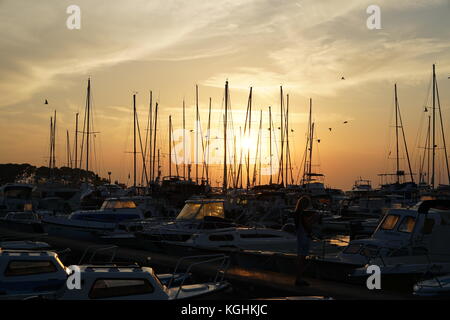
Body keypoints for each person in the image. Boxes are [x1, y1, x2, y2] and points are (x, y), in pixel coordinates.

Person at [294, 195, 318, 287]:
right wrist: (314, 218)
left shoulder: (297, 213)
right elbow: (307, 225)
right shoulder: (302, 213)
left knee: (300, 258)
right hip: (304, 236)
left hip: (300, 236)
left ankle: (299, 278)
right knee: (302, 258)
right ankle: (299, 279)